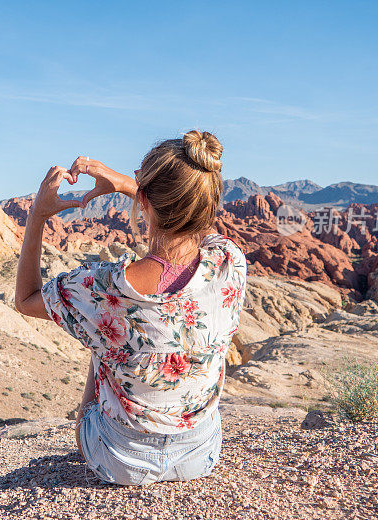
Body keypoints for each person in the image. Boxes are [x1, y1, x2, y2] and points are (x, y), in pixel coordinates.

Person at [14, 130, 247, 486]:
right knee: (111, 330)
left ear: (145, 201)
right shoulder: (230, 262)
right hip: (201, 454)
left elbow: (26, 299)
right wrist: (132, 187)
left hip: (120, 460)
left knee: (101, 333)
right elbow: (196, 221)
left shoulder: (103, 287)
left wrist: (37, 216)